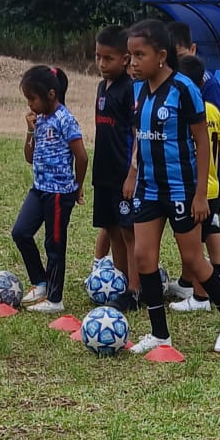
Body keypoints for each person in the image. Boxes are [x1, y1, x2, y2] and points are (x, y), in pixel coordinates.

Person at [121, 19, 220, 354]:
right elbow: (139, 137)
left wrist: (200, 194)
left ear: (161, 56)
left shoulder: (184, 89)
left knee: (193, 258)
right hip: (149, 188)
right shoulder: (139, 90)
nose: (133, 62)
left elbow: (203, 143)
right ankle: (159, 333)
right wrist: (132, 173)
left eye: (140, 55)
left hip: (181, 189)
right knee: (144, 256)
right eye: (130, 55)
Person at [13, 65, 86, 315]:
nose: (30, 105)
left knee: (54, 244)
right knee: (21, 232)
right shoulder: (40, 120)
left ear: (51, 94)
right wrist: (30, 130)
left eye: (32, 98)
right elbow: (29, 157)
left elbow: (82, 157)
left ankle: (55, 299)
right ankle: (41, 282)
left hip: (58, 193)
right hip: (39, 189)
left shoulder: (66, 120)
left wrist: (77, 186)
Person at [167, 21, 220, 302]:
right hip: (195, 176)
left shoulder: (208, 88)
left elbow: (214, 137)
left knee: (207, 227)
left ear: (192, 50)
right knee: (197, 230)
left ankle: (214, 282)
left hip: (209, 175)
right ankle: (190, 281)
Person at [90, 26, 140, 308]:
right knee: (111, 229)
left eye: (108, 58)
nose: (102, 64)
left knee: (128, 231)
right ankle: (120, 282)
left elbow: (136, 135)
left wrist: (132, 174)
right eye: (98, 57)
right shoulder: (101, 87)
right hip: (103, 173)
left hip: (123, 175)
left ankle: (135, 289)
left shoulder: (129, 89)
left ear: (125, 59)